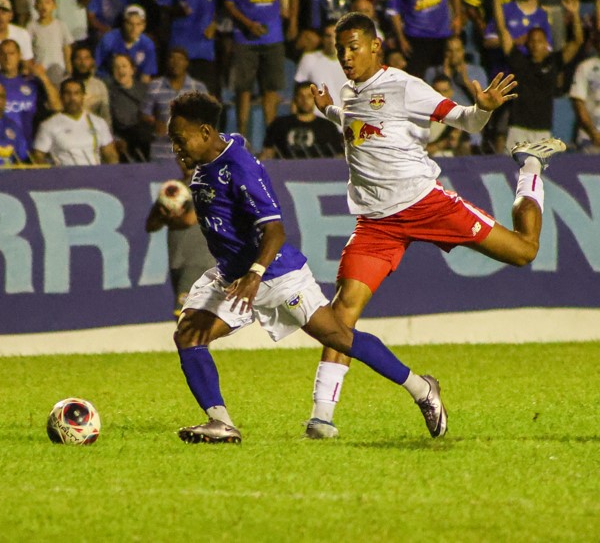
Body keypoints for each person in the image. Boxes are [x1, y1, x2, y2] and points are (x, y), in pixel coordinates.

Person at [303, 12, 566, 439]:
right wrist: (328, 109)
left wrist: (482, 109)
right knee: (341, 314)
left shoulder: (404, 86)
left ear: (375, 47)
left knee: (524, 251)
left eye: (354, 47)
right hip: (376, 223)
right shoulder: (350, 92)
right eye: (340, 50)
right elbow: (356, 121)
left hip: (425, 204)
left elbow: (464, 120)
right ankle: (322, 419)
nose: (346, 57)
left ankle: (531, 164)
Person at [167, 90, 448, 444]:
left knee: (338, 337)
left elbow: (274, 229)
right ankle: (220, 422)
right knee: (190, 334)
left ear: (206, 132)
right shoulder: (213, 158)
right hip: (232, 275)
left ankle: (422, 388)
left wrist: (255, 274)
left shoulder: (238, 167)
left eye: (180, 139)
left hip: (275, 274)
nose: (176, 148)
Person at [491, 0, 585, 149]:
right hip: (517, 128)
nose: (535, 45)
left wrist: (575, 13)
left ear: (546, 44)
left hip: (543, 130)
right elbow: (502, 29)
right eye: (531, 41)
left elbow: (577, 41)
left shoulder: (554, 61)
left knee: (538, 174)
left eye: (539, 41)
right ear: (526, 44)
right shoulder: (519, 60)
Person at [225, 0, 298, 138]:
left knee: (271, 88)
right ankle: (241, 136)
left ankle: (270, 138)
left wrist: (292, 21)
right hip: (244, 37)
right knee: (243, 88)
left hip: (273, 36)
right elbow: (229, 2)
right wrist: (247, 23)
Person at [145, 162, 215, 317]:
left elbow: (189, 220)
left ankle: (195, 342)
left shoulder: (206, 187)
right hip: (177, 261)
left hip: (199, 260)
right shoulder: (171, 191)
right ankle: (200, 341)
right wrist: (164, 214)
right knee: (194, 314)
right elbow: (150, 225)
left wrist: (168, 219)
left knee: (185, 313)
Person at [0, 39, 61, 145]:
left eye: (11, 53)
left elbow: (57, 107)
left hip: (25, 145)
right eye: (3, 54)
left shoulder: (32, 83)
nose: (7, 58)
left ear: (19, 56)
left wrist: (43, 77)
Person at [156, 0, 222, 97]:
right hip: (180, 44)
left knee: (206, 93)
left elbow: (224, 4)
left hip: (204, 45)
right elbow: (163, 5)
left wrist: (215, 23)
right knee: (179, 93)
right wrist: (176, 10)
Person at [142, 47, 209, 162]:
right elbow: (143, 114)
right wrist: (154, 122)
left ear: (187, 63)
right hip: (160, 151)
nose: (176, 62)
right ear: (166, 62)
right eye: (172, 58)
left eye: (180, 59)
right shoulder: (155, 86)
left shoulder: (198, 88)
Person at [32, 78, 119, 165]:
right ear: (61, 96)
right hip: (65, 177)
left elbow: (110, 155)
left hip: (94, 176)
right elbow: (38, 156)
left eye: (76, 93)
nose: (72, 98)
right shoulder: (48, 125)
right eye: (68, 93)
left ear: (83, 96)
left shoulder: (99, 122)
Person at [259, 80, 343, 159]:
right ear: (295, 98)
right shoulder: (279, 124)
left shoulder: (328, 127)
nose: (305, 100)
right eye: (301, 96)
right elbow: (267, 154)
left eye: (309, 96)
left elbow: (339, 157)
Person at [294, 23, 348, 117]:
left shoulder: (353, 62)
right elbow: (298, 94)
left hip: (344, 124)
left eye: (336, 36)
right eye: (328, 36)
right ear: (322, 39)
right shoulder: (308, 59)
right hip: (317, 123)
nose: (332, 40)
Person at [94, 5, 158, 82]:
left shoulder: (148, 45)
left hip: (133, 84)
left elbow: (145, 76)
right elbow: (95, 66)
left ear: (143, 26)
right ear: (124, 24)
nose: (134, 29)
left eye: (138, 24)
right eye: (130, 24)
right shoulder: (109, 39)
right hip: (108, 80)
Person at [108, 53, 151, 161]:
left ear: (132, 70)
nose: (120, 70)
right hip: (124, 135)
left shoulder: (145, 89)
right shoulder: (109, 93)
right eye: (116, 67)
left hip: (147, 133)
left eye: (124, 66)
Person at [28, 0, 74, 86]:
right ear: (35, 6)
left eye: (47, 2)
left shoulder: (61, 25)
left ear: (54, 6)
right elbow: (28, 49)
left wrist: (68, 66)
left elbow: (66, 47)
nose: (43, 6)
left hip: (59, 69)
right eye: (40, 2)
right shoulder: (31, 26)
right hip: (40, 70)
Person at [71, 46, 112, 130]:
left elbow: (105, 115)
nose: (82, 63)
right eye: (79, 58)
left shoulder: (99, 85)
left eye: (86, 58)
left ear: (92, 61)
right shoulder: (64, 84)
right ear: (73, 62)